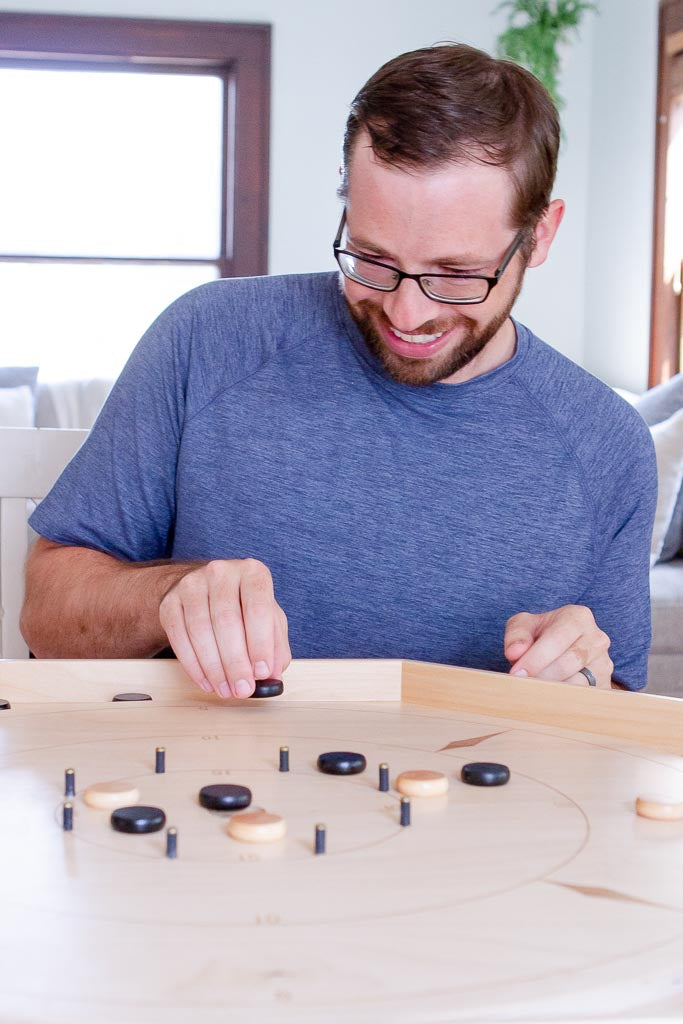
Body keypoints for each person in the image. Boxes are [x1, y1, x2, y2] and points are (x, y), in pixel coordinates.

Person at [21, 43, 656, 697]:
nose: (407, 312)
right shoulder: (208, 339)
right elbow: (45, 618)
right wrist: (170, 594)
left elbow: (614, 729)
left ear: (540, 236)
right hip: (204, 789)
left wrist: (583, 675)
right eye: (372, 258)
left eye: (456, 274)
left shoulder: (606, 444)